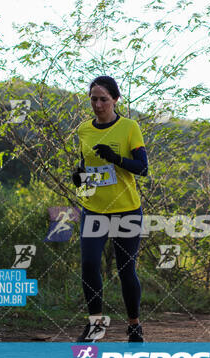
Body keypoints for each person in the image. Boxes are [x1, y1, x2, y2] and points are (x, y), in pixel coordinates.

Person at [72, 76, 149, 342]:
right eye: (94, 99)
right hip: (94, 209)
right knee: (90, 264)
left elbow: (142, 168)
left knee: (126, 269)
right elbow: (87, 169)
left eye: (104, 99)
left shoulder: (129, 128)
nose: (98, 104)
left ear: (115, 100)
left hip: (126, 209)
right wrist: (79, 177)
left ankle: (134, 325)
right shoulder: (84, 130)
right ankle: (95, 324)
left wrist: (116, 158)